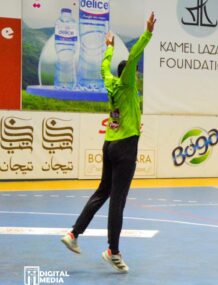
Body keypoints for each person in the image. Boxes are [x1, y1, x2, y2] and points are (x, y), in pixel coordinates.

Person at [61, 12, 157, 273]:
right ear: (128, 74)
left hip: (109, 145)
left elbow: (104, 68)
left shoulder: (111, 82)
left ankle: (73, 234)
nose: (136, 75)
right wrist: (147, 32)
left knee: (102, 191)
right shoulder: (126, 85)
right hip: (125, 147)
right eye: (134, 72)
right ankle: (113, 251)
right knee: (117, 201)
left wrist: (109, 49)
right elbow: (136, 53)